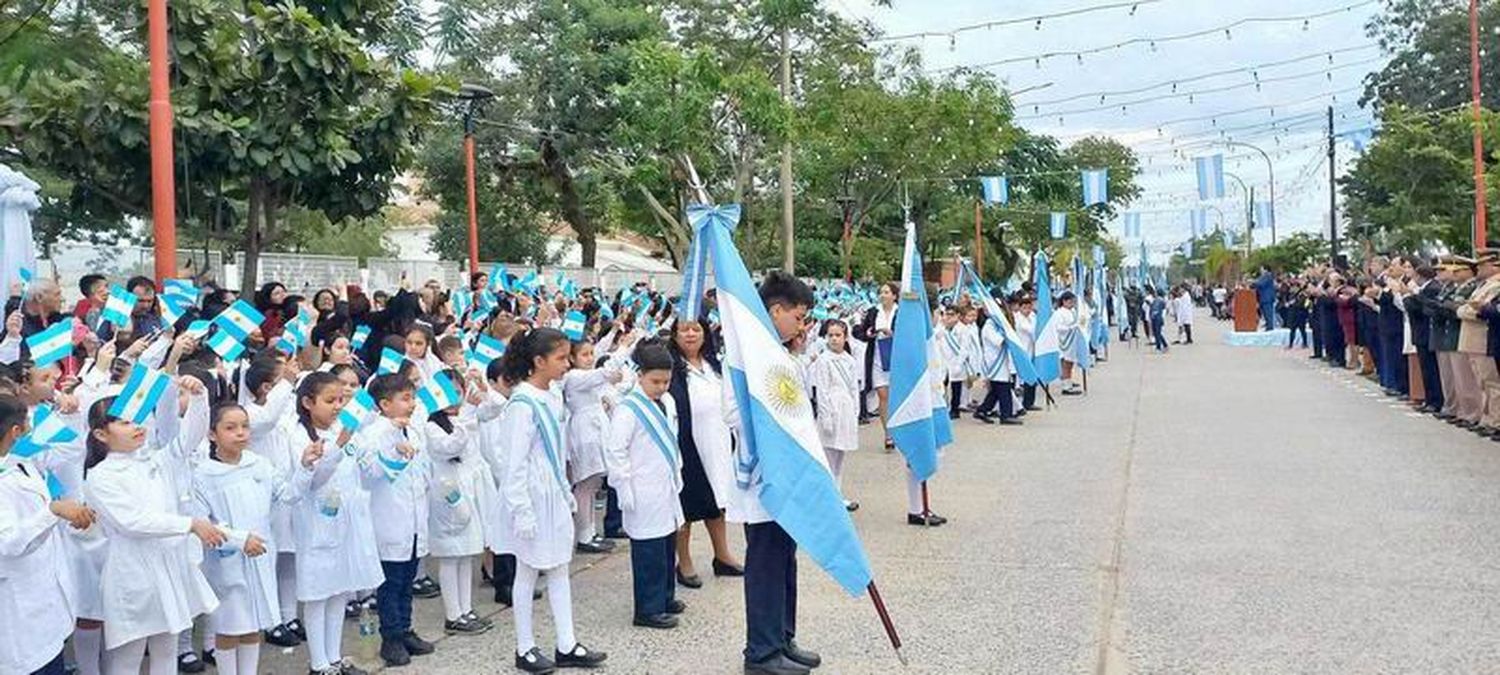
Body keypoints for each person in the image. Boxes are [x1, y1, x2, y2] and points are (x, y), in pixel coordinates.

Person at [84, 375, 221, 675]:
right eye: (124, 423)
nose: (137, 427)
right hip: (132, 572)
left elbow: (191, 437)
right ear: (101, 434)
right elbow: (132, 521)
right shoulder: (100, 476)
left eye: (138, 420)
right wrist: (189, 524)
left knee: (167, 648)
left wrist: (199, 399)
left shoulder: (157, 460)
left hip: (168, 566)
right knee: (129, 656)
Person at [726, 271, 823, 675]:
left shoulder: (782, 354)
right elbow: (735, 414)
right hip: (765, 478)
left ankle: (783, 638)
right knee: (765, 564)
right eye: (798, 317)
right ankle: (761, 653)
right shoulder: (745, 355)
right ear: (775, 310)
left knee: (786, 560)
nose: (802, 327)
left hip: (790, 476)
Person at [496, 327, 608, 673]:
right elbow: (512, 463)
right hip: (530, 494)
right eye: (560, 358)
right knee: (529, 570)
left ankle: (566, 643)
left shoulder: (553, 394)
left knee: (559, 566)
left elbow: (556, 451)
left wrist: (564, 490)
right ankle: (524, 647)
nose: (567, 363)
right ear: (538, 361)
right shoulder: (522, 402)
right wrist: (521, 510)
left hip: (552, 491)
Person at [193, 403, 314, 675]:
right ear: (212, 434)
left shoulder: (260, 464)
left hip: (260, 555)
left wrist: (305, 467)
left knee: (253, 623)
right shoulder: (203, 474)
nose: (240, 433)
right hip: (226, 561)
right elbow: (203, 522)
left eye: (245, 426)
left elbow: (289, 494)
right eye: (230, 428)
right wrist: (239, 539)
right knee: (229, 625)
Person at [290, 372, 381, 675]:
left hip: (345, 522)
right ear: (307, 402)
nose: (338, 406)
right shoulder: (299, 435)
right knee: (318, 594)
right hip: (316, 524)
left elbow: (360, 469)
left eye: (341, 399)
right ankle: (319, 663)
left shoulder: (345, 429)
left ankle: (335, 657)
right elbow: (313, 481)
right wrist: (338, 448)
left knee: (340, 590)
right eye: (330, 400)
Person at [0, 392, 93, 675]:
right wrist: (52, 511)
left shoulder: (16, 461)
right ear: (16, 431)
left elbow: (68, 451)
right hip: (18, 614)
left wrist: (70, 417)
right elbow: (8, 541)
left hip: (42, 607)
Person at [604, 340, 687, 630]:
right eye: (655, 381)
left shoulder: (668, 401)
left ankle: (665, 597)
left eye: (666, 381)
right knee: (648, 550)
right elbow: (615, 451)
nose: (662, 386)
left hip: (664, 484)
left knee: (666, 544)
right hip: (641, 487)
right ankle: (648, 609)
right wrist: (623, 487)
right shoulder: (628, 409)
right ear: (640, 375)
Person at [666, 318, 744, 588]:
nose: (690, 334)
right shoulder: (672, 368)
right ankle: (684, 562)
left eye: (696, 329)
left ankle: (722, 555)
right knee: (686, 507)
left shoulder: (715, 364)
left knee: (719, 500)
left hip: (719, 441)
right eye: (684, 330)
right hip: (688, 442)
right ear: (674, 335)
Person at [427, 368, 496, 636]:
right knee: (450, 556)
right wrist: (464, 424)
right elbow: (448, 448)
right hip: (449, 495)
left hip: (469, 492)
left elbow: (495, 408)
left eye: (458, 391)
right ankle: (452, 614)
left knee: (468, 553)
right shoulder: (432, 425)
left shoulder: (465, 414)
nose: (455, 398)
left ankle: (466, 609)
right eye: (448, 392)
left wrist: (480, 386)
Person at [561, 336, 628, 556]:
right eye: (584, 354)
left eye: (591, 354)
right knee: (585, 485)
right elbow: (604, 371)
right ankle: (584, 535)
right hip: (585, 432)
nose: (590, 358)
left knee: (594, 483)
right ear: (572, 358)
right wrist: (626, 347)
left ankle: (590, 532)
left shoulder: (584, 376)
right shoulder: (574, 376)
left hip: (596, 428)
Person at [807, 319, 860, 511]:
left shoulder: (850, 360)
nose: (834, 339)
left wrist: (856, 411)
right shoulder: (824, 360)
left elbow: (855, 387)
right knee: (828, 456)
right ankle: (827, 497)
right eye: (831, 335)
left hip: (846, 409)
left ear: (845, 337)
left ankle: (837, 494)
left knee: (840, 456)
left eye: (838, 335)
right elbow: (822, 390)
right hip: (831, 409)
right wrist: (826, 417)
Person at [853, 282, 898, 450]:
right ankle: (888, 434)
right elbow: (860, 331)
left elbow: (909, 334)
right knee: (883, 395)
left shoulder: (901, 312)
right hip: (878, 356)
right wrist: (868, 333)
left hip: (895, 357)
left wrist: (893, 334)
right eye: (881, 292)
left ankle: (899, 428)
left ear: (894, 295)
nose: (883, 295)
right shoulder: (873, 312)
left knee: (895, 396)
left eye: (886, 292)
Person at [1253, 265, 1277, 330]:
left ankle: (1270, 326)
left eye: (1262, 269)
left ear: (1266, 270)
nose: (1260, 270)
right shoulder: (1263, 276)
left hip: (1267, 298)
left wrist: (1252, 281)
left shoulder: (1268, 276)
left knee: (1268, 313)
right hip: (1263, 298)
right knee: (1265, 313)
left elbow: (1260, 283)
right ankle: (1268, 325)